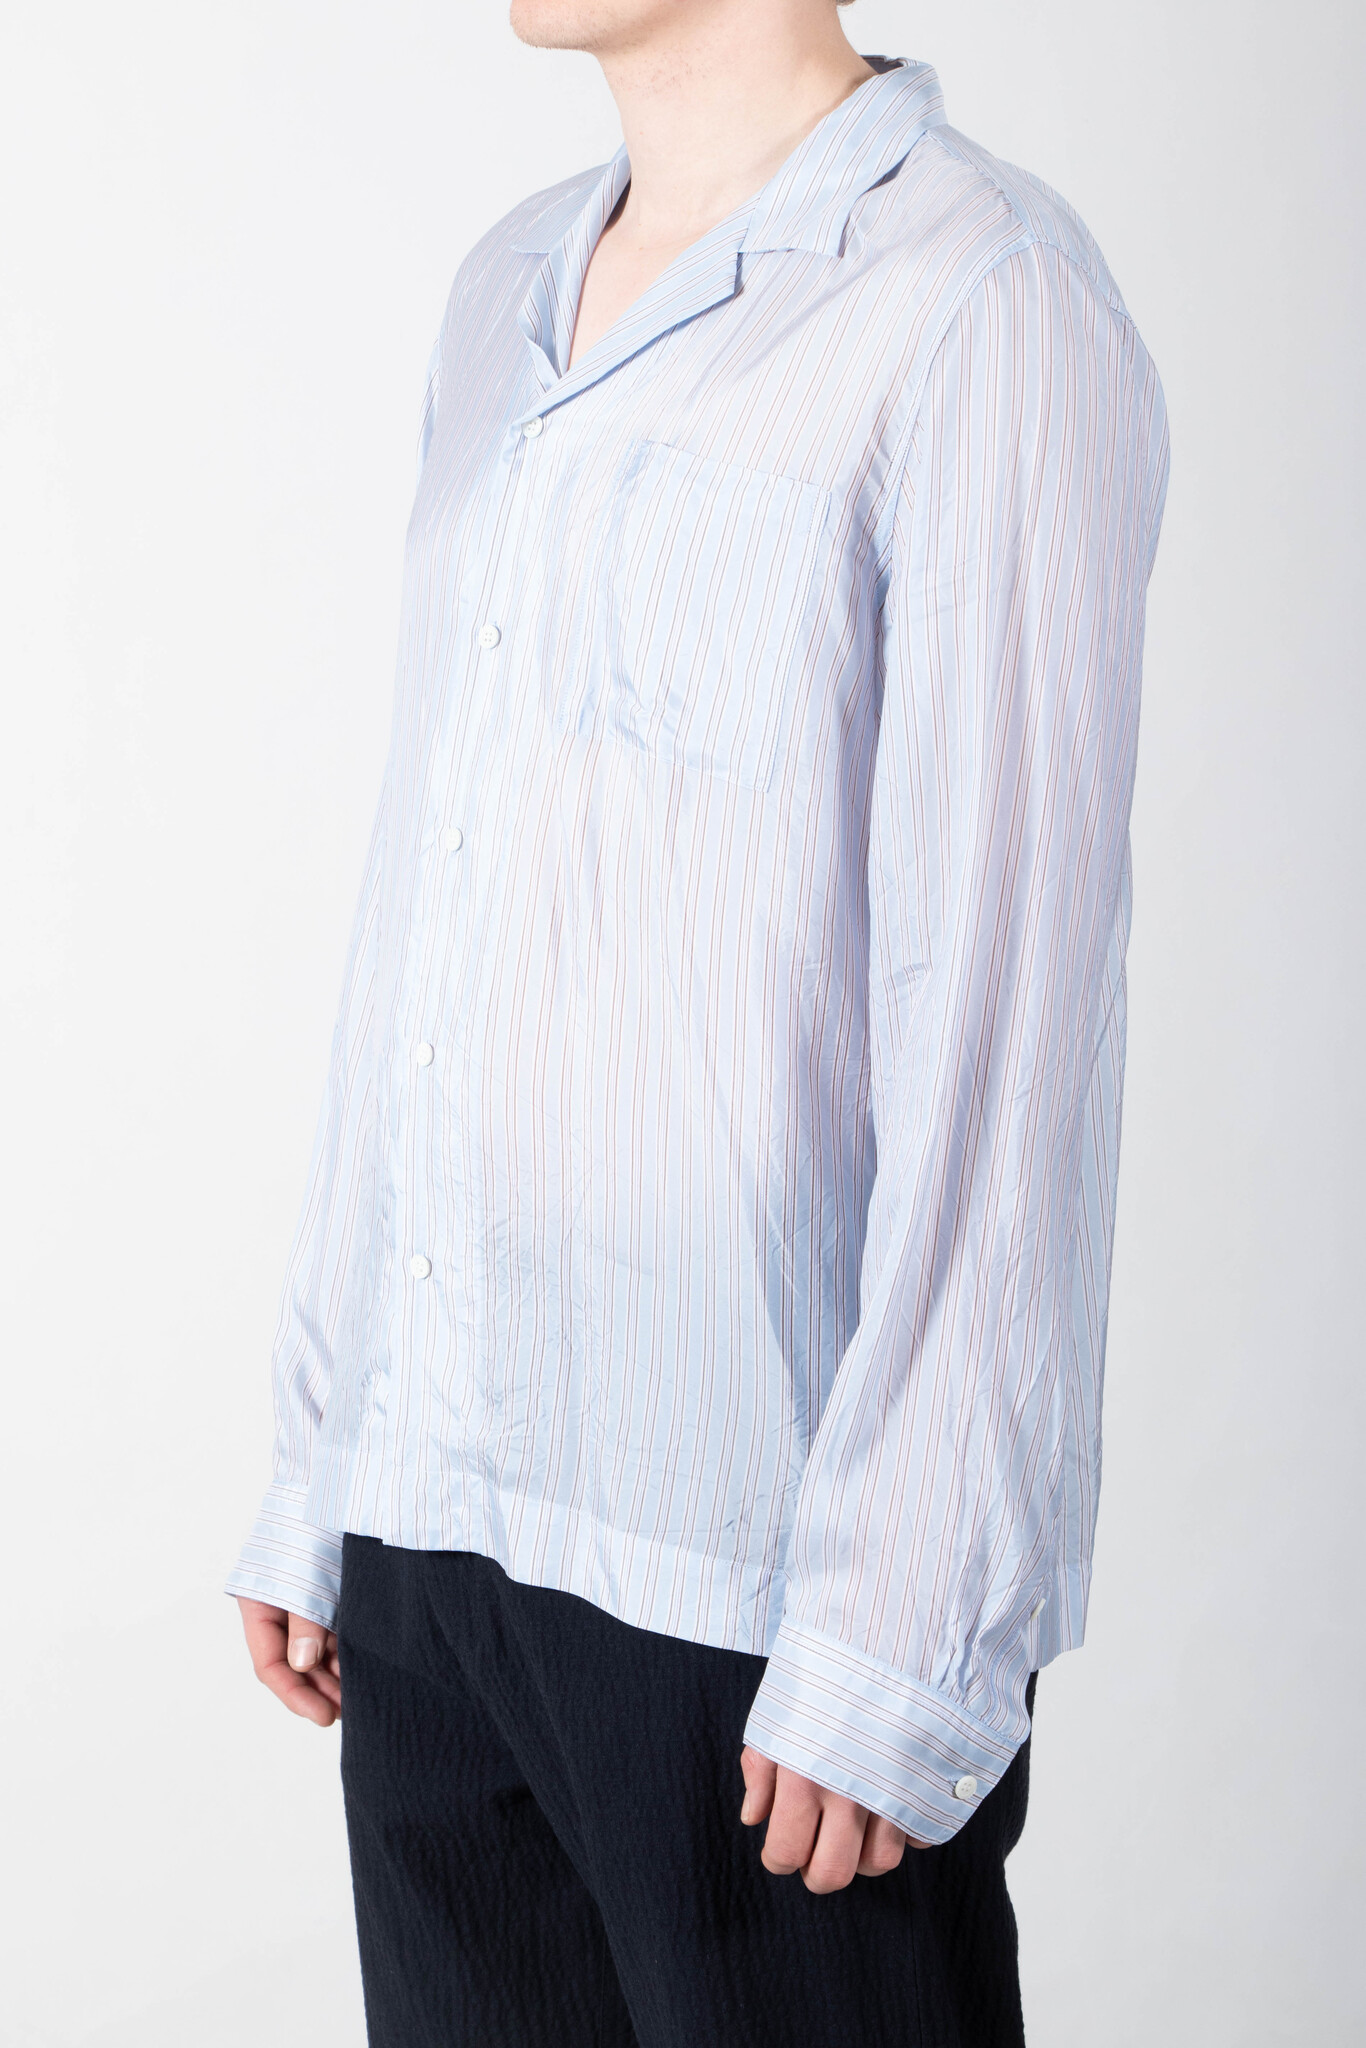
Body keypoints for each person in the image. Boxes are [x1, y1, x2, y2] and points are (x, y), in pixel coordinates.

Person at [227, 2, 1168, 2041]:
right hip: (434, 1524)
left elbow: (1003, 1016)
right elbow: (424, 906)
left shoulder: (981, 300)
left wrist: (906, 1618)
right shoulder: (504, 284)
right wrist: (325, 1447)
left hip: (756, 1591)